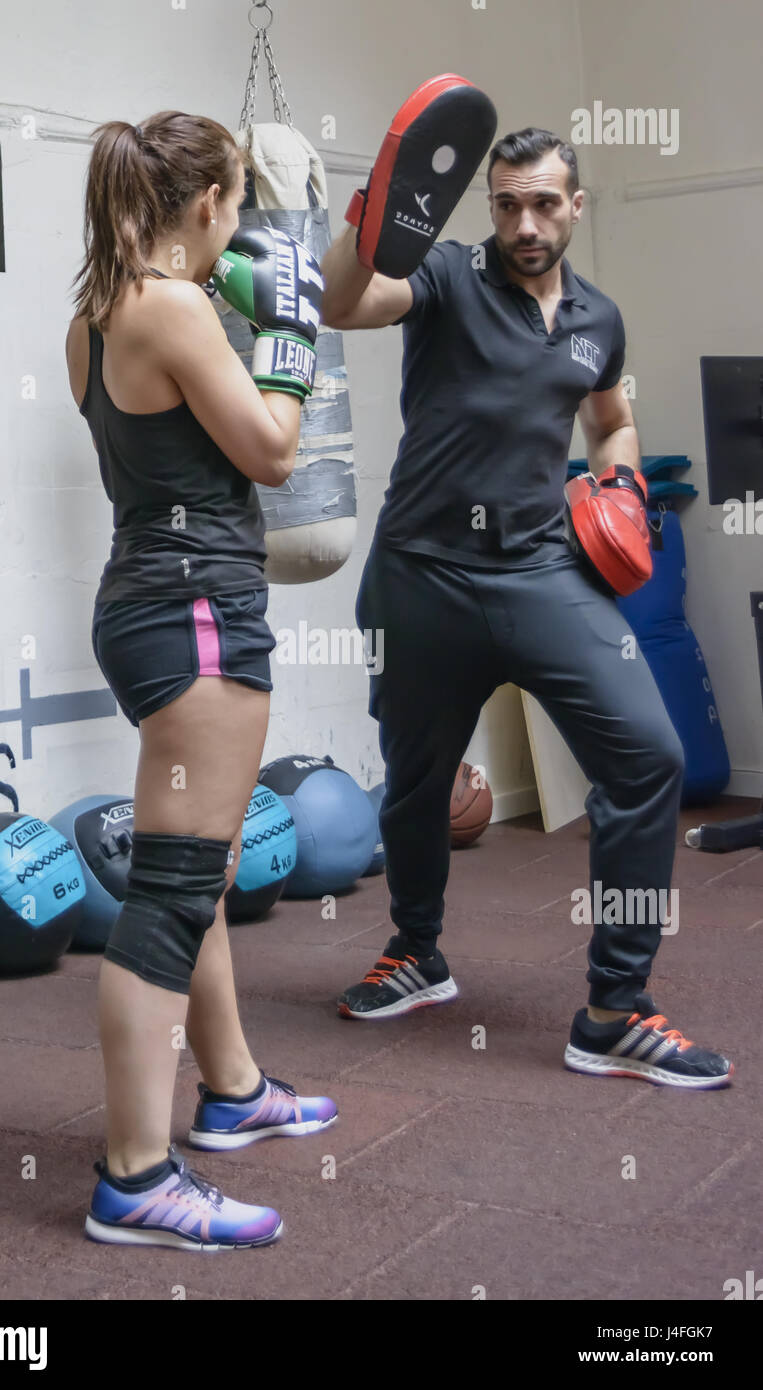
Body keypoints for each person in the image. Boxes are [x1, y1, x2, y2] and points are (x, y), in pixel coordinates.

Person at [321, 127, 732, 1090]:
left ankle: (613, 1010)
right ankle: (416, 951)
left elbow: (610, 416)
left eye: (544, 202)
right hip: (420, 577)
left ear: (576, 205)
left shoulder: (598, 317)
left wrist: (620, 484)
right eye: (506, 203)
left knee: (648, 759)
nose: (524, 222)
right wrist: (369, 214)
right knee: (415, 785)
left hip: (543, 573)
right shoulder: (447, 277)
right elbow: (344, 300)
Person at [65, 110, 337, 1251]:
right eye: (233, 204)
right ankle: (134, 1175)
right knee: (174, 893)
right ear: (213, 206)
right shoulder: (173, 308)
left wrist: (236, 276)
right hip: (196, 619)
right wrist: (290, 327)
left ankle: (230, 1088)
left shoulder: (94, 315)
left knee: (200, 866)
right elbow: (272, 452)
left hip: (146, 602)